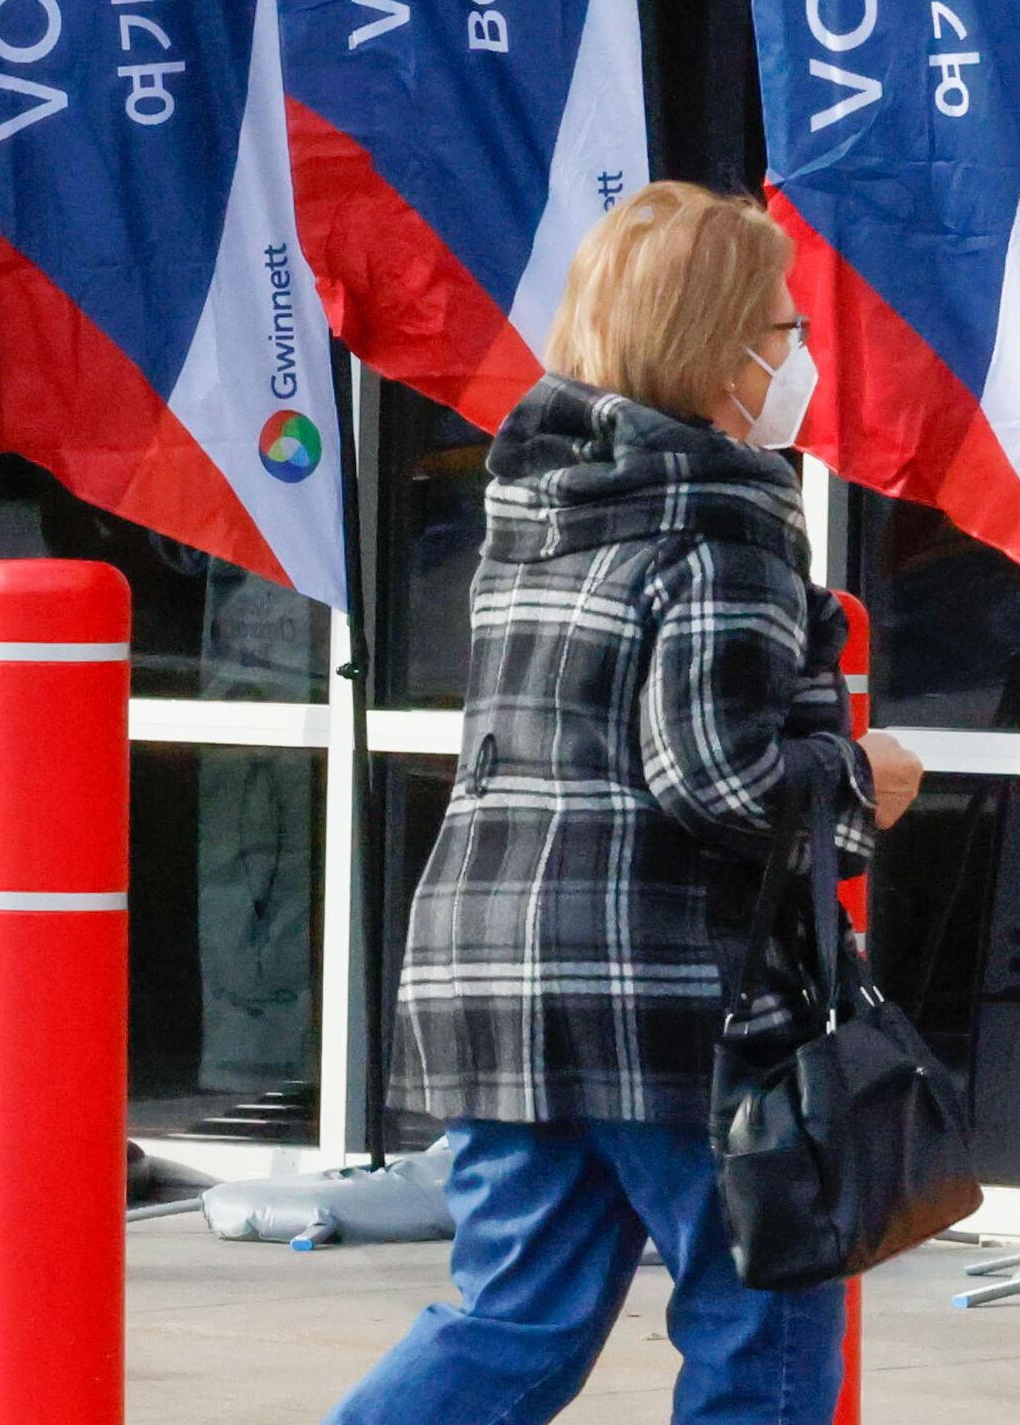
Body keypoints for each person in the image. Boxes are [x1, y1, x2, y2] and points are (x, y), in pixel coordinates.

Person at [328, 181, 926, 1425]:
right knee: (764, 1312)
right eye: (783, 330)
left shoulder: (539, 515)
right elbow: (716, 780)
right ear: (718, 356)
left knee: (517, 1316)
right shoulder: (725, 530)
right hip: (663, 999)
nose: (801, 353)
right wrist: (863, 779)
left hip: (492, 979)